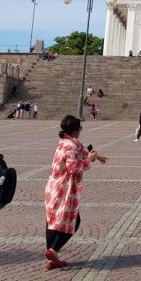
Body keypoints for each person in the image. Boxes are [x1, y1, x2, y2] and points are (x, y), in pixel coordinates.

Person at [44, 115, 106, 270]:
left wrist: (97, 157)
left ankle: (52, 256)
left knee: (53, 219)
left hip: (53, 187)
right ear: (75, 130)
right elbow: (74, 168)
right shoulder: (71, 146)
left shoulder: (66, 142)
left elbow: (83, 151)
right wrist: (89, 161)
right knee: (73, 220)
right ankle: (53, 250)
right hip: (63, 189)